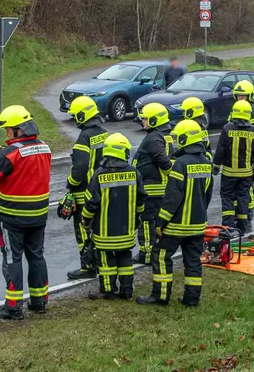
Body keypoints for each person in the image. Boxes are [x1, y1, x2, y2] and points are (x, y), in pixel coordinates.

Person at [0, 106, 52, 320]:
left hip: (12, 218)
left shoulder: (11, 153)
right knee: (37, 256)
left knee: (13, 259)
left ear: (18, 130)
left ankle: (13, 307)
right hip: (38, 215)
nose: (7, 133)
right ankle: (39, 302)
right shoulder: (44, 147)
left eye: (9, 129)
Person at [140, 119, 213, 307]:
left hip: (176, 225)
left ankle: (161, 296)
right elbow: (207, 194)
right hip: (197, 225)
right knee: (193, 261)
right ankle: (192, 298)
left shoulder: (180, 164)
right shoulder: (206, 163)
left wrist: (161, 222)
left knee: (161, 256)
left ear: (185, 139)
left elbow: (173, 197)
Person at [81, 133, 146, 300]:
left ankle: (108, 290)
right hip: (126, 229)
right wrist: (137, 218)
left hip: (104, 233)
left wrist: (85, 221)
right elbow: (141, 200)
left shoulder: (99, 175)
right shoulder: (134, 173)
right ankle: (127, 291)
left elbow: (90, 203)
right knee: (125, 259)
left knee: (106, 261)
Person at [65, 96, 110, 280]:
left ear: (83, 116)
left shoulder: (84, 137)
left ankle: (87, 266)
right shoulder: (104, 132)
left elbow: (80, 167)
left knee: (83, 230)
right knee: (98, 229)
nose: (75, 119)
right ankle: (99, 262)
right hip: (103, 189)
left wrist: (70, 183)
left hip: (85, 192)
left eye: (76, 115)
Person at [133, 102, 175, 266]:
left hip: (151, 188)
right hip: (160, 187)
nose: (142, 122)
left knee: (146, 222)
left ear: (155, 120)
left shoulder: (153, 138)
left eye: (145, 119)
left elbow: (162, 159)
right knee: (156, 222)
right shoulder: (164, 135)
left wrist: (171, 172)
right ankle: (154, 251)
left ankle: (146, 254)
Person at [212, 100, 254, 234]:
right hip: (246, 174)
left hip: (229, 173)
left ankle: (228, 226)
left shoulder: (227, 128)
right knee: (243, 197)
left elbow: (220, 150)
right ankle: (242, 225)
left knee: (227, 197)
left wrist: (216, 166)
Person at [231, 80, 254, 225]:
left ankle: (248, 213)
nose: (240, 98)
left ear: (250, 96)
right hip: (234, 156)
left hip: (247, 157)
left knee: (247, 187)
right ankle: (237, 213)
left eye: (243, 96)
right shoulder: (235, 110)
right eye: (238, 96)